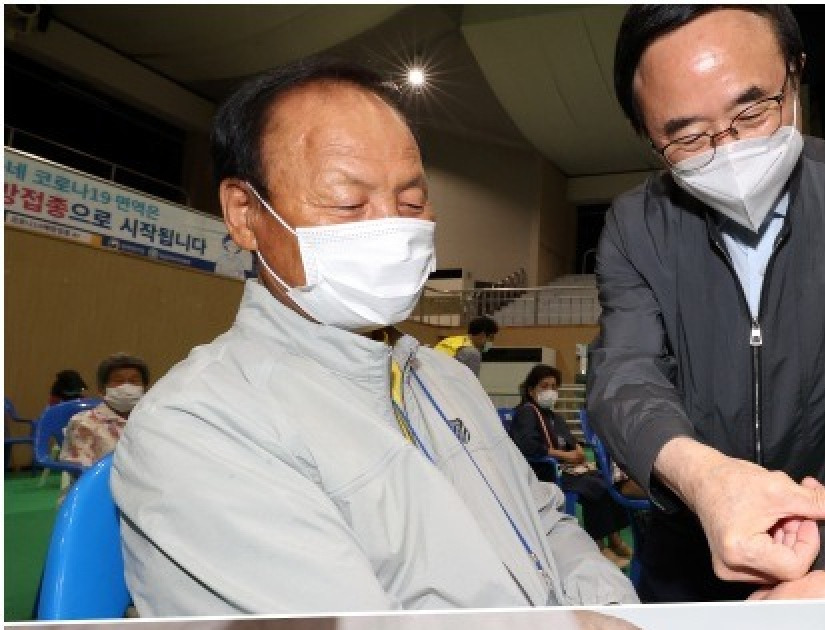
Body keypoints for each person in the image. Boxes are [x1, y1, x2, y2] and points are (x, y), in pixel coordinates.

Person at [110, 56, 638, 615]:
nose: (393, 227)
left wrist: (614, 610)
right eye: (347, 202)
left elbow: (545, 525)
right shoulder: (199, 426)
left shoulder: (445, 379)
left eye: (411, 203)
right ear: (245, 213)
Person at [588, 5, 825, 602]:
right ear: (648, 136)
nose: (729, 149)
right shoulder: (635, 225)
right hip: (688, 540)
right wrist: (699, 474)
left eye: (752, 110)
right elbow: (626, 373)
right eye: (688, 137)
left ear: (794, 76)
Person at [508, 364, 633, 568]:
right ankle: (598, 546)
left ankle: (615, 540)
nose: (550, 391)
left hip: (565, 467)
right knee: (595, 488)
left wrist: (578, 449)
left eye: (554, 387)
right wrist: (565, 455)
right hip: (544, 471)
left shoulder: (553, 416)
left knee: (607, 480)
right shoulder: (527, 413)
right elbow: (528, 446)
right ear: (531, 390)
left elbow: (569, 439)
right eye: (544, 386)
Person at [60, 353, 148, 470]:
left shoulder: (151, 421)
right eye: (118, 380)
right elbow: (82, 469)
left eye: (134, 380)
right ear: (102, 389)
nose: (127, 386)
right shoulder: (83, 423)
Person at [434, 316, 498, 376]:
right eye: (491, 338)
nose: (491, 341)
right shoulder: (472, 353)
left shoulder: (449, 341)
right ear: (482, 335)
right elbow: (470, 383)